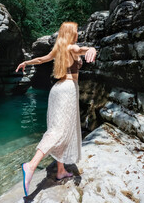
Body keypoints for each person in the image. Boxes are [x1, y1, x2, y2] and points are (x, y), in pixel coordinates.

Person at [15, 21, 97, 196]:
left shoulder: (59, 49)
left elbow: (41, 59)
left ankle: (60, 170)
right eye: (75, 31)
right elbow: (82, 50)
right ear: (70, 33)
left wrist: (26, 62)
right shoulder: (72, 48)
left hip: (58, 90)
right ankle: (30, 165)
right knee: (59, 131)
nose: (77, 34)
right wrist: (91, 49)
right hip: (67, 90)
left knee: (63, 130)